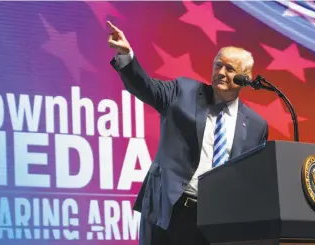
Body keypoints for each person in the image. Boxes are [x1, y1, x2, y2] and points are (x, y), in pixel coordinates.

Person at [107, 20, 268, 245]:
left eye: (230, 69)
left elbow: (249, 179)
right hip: (168, 209)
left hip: (213, 221)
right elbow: (145, 87)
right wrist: (126, 55)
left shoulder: (256, 125)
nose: (220, 72)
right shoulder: (183, 91)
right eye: (217, 65)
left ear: (246, 77)